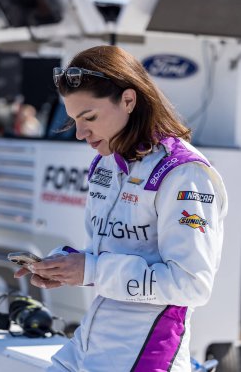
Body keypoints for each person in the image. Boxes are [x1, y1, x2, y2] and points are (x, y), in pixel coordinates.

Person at [14, 45, 228, 372]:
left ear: (128, 101)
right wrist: (64, 266)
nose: (80, 133)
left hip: (147, 352)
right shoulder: (107, 164)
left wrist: (92, 271)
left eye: (89, 118)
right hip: (94, 336)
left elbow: (192, 285)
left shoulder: (184, 174)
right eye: (73, 120)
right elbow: (113, 253)